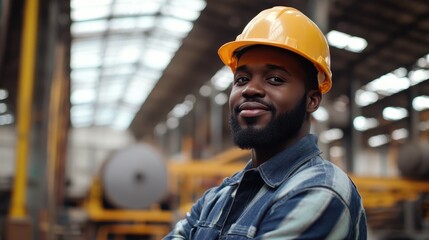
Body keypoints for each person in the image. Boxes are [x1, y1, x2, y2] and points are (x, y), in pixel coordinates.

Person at [164, 6, 367, 239]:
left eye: (275, 79)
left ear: (312, 100)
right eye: (241, 79)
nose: (250, 89)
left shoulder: (320, 191)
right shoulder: (219, 197)